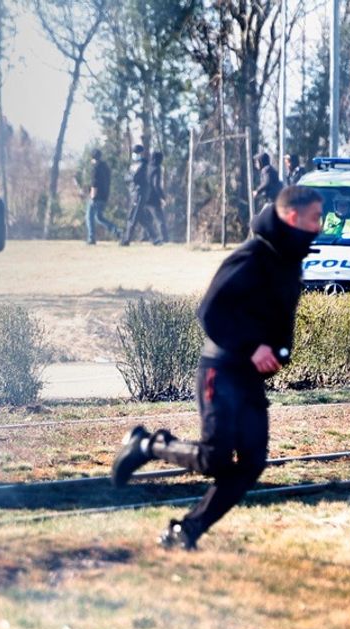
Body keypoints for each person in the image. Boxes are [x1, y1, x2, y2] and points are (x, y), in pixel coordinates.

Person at [110, 185, 324, 550]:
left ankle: (186, 531)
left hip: (249, 378)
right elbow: (210, 310)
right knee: (214, 458)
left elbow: (278, 317)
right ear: (292, 217)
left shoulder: (289, 259)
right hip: (221, 369)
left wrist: (278, 351)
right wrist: (252, 347)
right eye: (315, 218)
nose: (320, 226)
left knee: (252, 462)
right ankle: (146, 445)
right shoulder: (254, 255)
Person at [120, 144, 163, 246]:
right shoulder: (133, 164)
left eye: (137, 153)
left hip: (139, 193)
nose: (135, 155)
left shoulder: (144, 165)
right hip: (134, 192)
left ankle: (126, 239)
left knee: (133, 216)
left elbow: (134, 178)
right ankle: (155, 238)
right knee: (141, 218)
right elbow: (126, 178)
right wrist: (130, 177)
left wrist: (130, 177)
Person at [85, 149, 121, 244]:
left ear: (93, 158)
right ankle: (117, 231)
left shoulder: (95, 168)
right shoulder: (106, 167)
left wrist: (92, 196)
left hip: (96, 196)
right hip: (104, 196)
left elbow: (94, 183)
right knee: (99, 217)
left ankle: (91, 237)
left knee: (89, 216)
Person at [147, 150, 170, 242]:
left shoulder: (148, 167)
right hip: (153, 197)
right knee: (160, 219)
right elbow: (156, 184)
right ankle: (164, 238)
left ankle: (146, 237)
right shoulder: (157, 168)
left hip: (145, 196)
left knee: (147, 219)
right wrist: (162, 197)